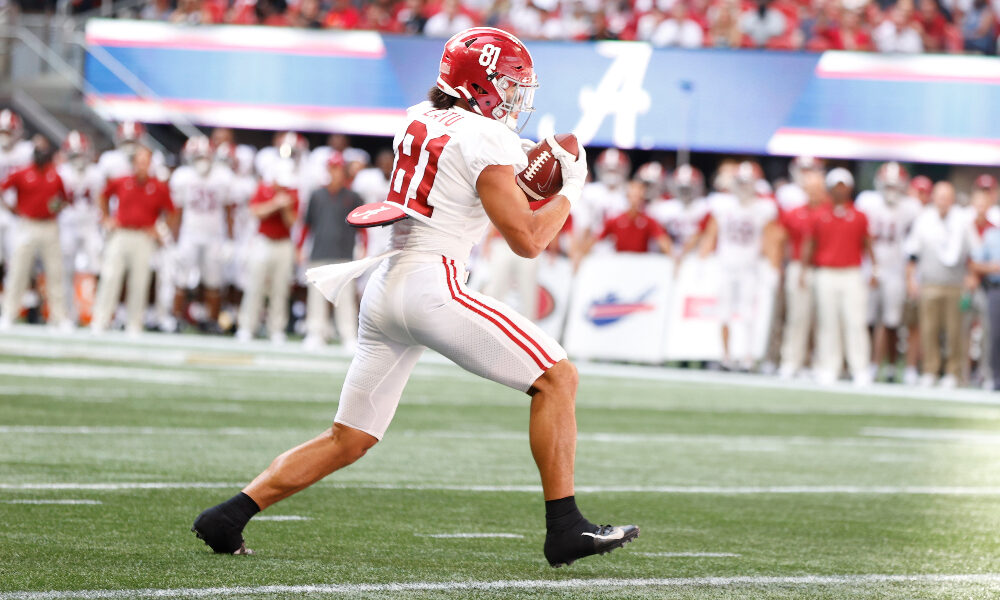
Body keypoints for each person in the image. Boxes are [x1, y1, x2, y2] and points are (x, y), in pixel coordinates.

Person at [193, 27, 638, 567]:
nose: (518, 98)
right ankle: (564, 527)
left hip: (386, 286)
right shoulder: (485, 136)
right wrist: (569, 190)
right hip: (434, 283)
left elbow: (468, 172)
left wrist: (525, 164)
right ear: (482, 84)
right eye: (511, 84)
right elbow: (528, 239)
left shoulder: (417, 115)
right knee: (557, 377)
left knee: (350, 437)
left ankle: (229, 516)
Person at [699, 161, 777, 370]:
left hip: (749, 268)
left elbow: (770, 240)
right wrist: (702, 262)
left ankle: (747, 357)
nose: (743, 187)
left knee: (748, 314)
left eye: (747, 182)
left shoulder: (763, 208)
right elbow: (710, 234)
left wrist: (773, 267)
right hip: (726, 266)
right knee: (723, 313)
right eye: (740, 182)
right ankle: (725, 356)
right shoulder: (722, 204)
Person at [91, 146, 176, 336]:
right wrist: (106, 218)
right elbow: (102, 196)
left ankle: (134, 323)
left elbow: (171, 210)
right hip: (121, 233)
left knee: (140, 281)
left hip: (144, 236)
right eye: (139, 162)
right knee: (110, 276)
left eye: (145, 162)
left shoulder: (158, 186)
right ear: (133, 164)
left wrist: (160, 230)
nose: (142, 166)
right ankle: (101, 320)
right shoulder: (122, 181)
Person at [801, 168, 873, 386]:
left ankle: (859, 367)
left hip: (851, 272)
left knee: (855, 321)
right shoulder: (820, 215)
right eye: (836, 186)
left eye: (843, 186)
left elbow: (868, 244)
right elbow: (810, 244)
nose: (840, 190)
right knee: (828, 322)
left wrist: (874, 269)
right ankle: (828, 366)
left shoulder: (859, 215)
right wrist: (804, 270)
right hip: (826, 272)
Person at [904, 182, 976, 388]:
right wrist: (910, 279)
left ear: (952, 199)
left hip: (955, 283)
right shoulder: (924, 219)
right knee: (928, 329)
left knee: (955, 331)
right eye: (940, 196)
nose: (943, 201)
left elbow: (973, 252)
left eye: (947, 197)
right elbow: (912, 253)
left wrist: (971, 275)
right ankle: (930, 370)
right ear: (933, 197)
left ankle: (953, 372)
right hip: (929, 283)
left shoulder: (962, 220)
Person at [856, 162, 921, 383]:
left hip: (895, 270)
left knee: (892, 322)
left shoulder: (911, 207)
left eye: (895, 185)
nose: (891, 190)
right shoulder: (867, 202)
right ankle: (865, 363)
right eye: (888, 185)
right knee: (866, 319)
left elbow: (914, 241)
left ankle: (887, 365)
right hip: (869, 268)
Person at [0, 136, 72, 330]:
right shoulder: (22, 173)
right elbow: (3, 188)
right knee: (18, 271)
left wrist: (55, 206)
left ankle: (59, 316)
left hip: (49, 225)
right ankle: (8, 313)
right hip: (28, 224)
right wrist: (11, 208)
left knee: (55, 273)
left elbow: (64, 200)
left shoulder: (54, 175)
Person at [169, 135, 235, 332]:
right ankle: (176, 319)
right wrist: (174, 241)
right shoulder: (182, 177)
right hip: (189, 234)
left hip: (214, 235)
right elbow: (177, 211)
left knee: (214, 281)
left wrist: (230, 240)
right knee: (181, 278)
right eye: (198, 157)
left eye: (205, 157)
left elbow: (228, 211)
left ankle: (212, 321)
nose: (202, 162)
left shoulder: (223, 177)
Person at [299, 153, 362, 350]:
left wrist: (363, 246)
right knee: (316, 295)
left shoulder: (353, 196)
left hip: (344, 252)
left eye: (338, 168)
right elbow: (307, 225)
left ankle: (348, 334)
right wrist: (300, 246)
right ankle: (315, 332)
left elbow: (362, 225)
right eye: (332, 168)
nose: (335, 172)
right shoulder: (317, 195)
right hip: (319, 251)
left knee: (345, 297)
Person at [236, 160, 299, 343]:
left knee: (280, 288)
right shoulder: (263, 188)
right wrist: (275, 204)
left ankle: (276, 329)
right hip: (263, 241)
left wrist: (285, 207)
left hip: (284, 243)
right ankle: (247, 327)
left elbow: (292, 222)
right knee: (254, 286)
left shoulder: (293, 192)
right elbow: (255, 212)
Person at [777, 170, 827, 379]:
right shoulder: (795, 213)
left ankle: (820, 363)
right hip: (798, 266)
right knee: (797, 318)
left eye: (818, 187)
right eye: (810, 187)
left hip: (824, 268)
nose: (814, 192)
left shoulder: (830, 212)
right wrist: (780, 266)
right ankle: (791, 361)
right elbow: (781, 239)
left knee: (824, 321)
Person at [56, 131, 105, 325]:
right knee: (65, 271)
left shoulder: (96, 174)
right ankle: (68, 314)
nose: (78, 159)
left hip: (91, 226)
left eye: (81, 154)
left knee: (98, 268)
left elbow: (103, 201)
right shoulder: (61, 172)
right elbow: (54, 202)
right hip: (67, 225)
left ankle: (99, 314)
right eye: (74, 154)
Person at [577, 179, 672, 261]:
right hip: (620, 264)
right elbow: (595, 239)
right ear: (627, 197)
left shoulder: (648, 220)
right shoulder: (615, 220)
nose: (635, 200)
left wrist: (672, 256)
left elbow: (662, 240)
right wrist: (581, 254)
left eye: (638, 196)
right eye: (633, 196)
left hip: (641, 265)